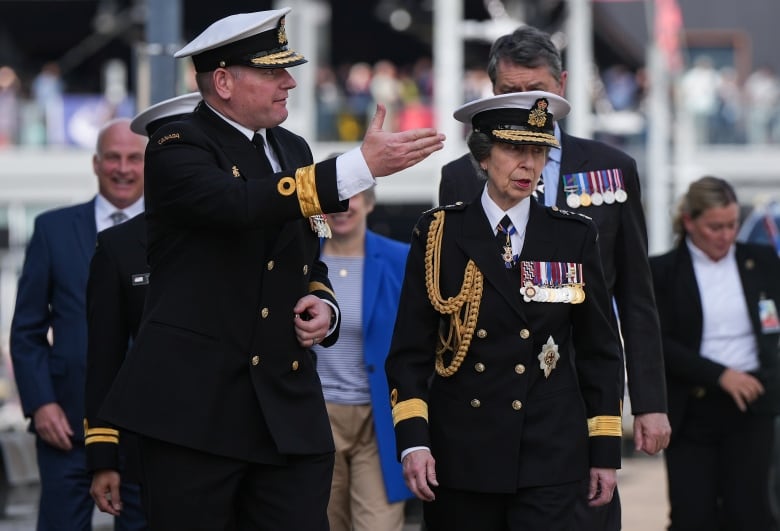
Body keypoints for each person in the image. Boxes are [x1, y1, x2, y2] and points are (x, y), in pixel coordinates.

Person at [97, 8, 444, 531]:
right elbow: (236, 204)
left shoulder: (293, 147)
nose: (290, 82)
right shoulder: (176, 145)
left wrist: (321, 301)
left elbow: (309, 248)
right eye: (272, 71)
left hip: (285, 406)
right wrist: (357, 168)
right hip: (198, 410)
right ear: (223, 81)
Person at [438, 27, 671, 529]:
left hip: (581, 383)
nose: (522, 104)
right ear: (488, 91)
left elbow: (636, 295)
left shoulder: (612, 168)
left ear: (562, 85)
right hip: (490, 393)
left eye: (536, 90)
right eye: (506, 93)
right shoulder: (460, 177)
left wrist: (649, 402)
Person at [386, 91, 624, 531]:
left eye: (538, 151)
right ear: (483, 155)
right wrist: (413, 443)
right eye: (515, 148)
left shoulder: (571, 236)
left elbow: (600, 352)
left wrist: (605, 451)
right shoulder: (439, 233)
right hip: (461, 454)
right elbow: (409, 353)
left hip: (550, 453)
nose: (528, 165)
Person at [9, 117, 147, 530]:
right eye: (112, 158)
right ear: (95, 163)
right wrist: (40, 403)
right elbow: (27, 331)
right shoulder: (52, 230)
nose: (122, 168)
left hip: (146, 428)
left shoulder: (171, 234)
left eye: (134, 158)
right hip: (66, 427)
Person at [84, 92, 201, 525]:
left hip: (241, 449)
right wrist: (103, 455)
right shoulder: (118, 247)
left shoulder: (248, 231)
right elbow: (105, 361)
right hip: (149, 455)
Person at [649, 176, 780, 531]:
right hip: (692, 408)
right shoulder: (663, 272)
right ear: (689, 222)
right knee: (693, 515)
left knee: (751, 513)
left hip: (753, 403)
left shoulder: (764, 262)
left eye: (732, 225)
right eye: (715, 227)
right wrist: (719, 374)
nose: (726, 235)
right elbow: (658, 342)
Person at [311, 184, 413, 531]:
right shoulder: (301, 258)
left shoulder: (402, 259)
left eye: (351, 195)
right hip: (316, 416)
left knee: (379, 525)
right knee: (324, 522)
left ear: (369, 202)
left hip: (379, 417)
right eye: (331, 197)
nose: (340, 206)